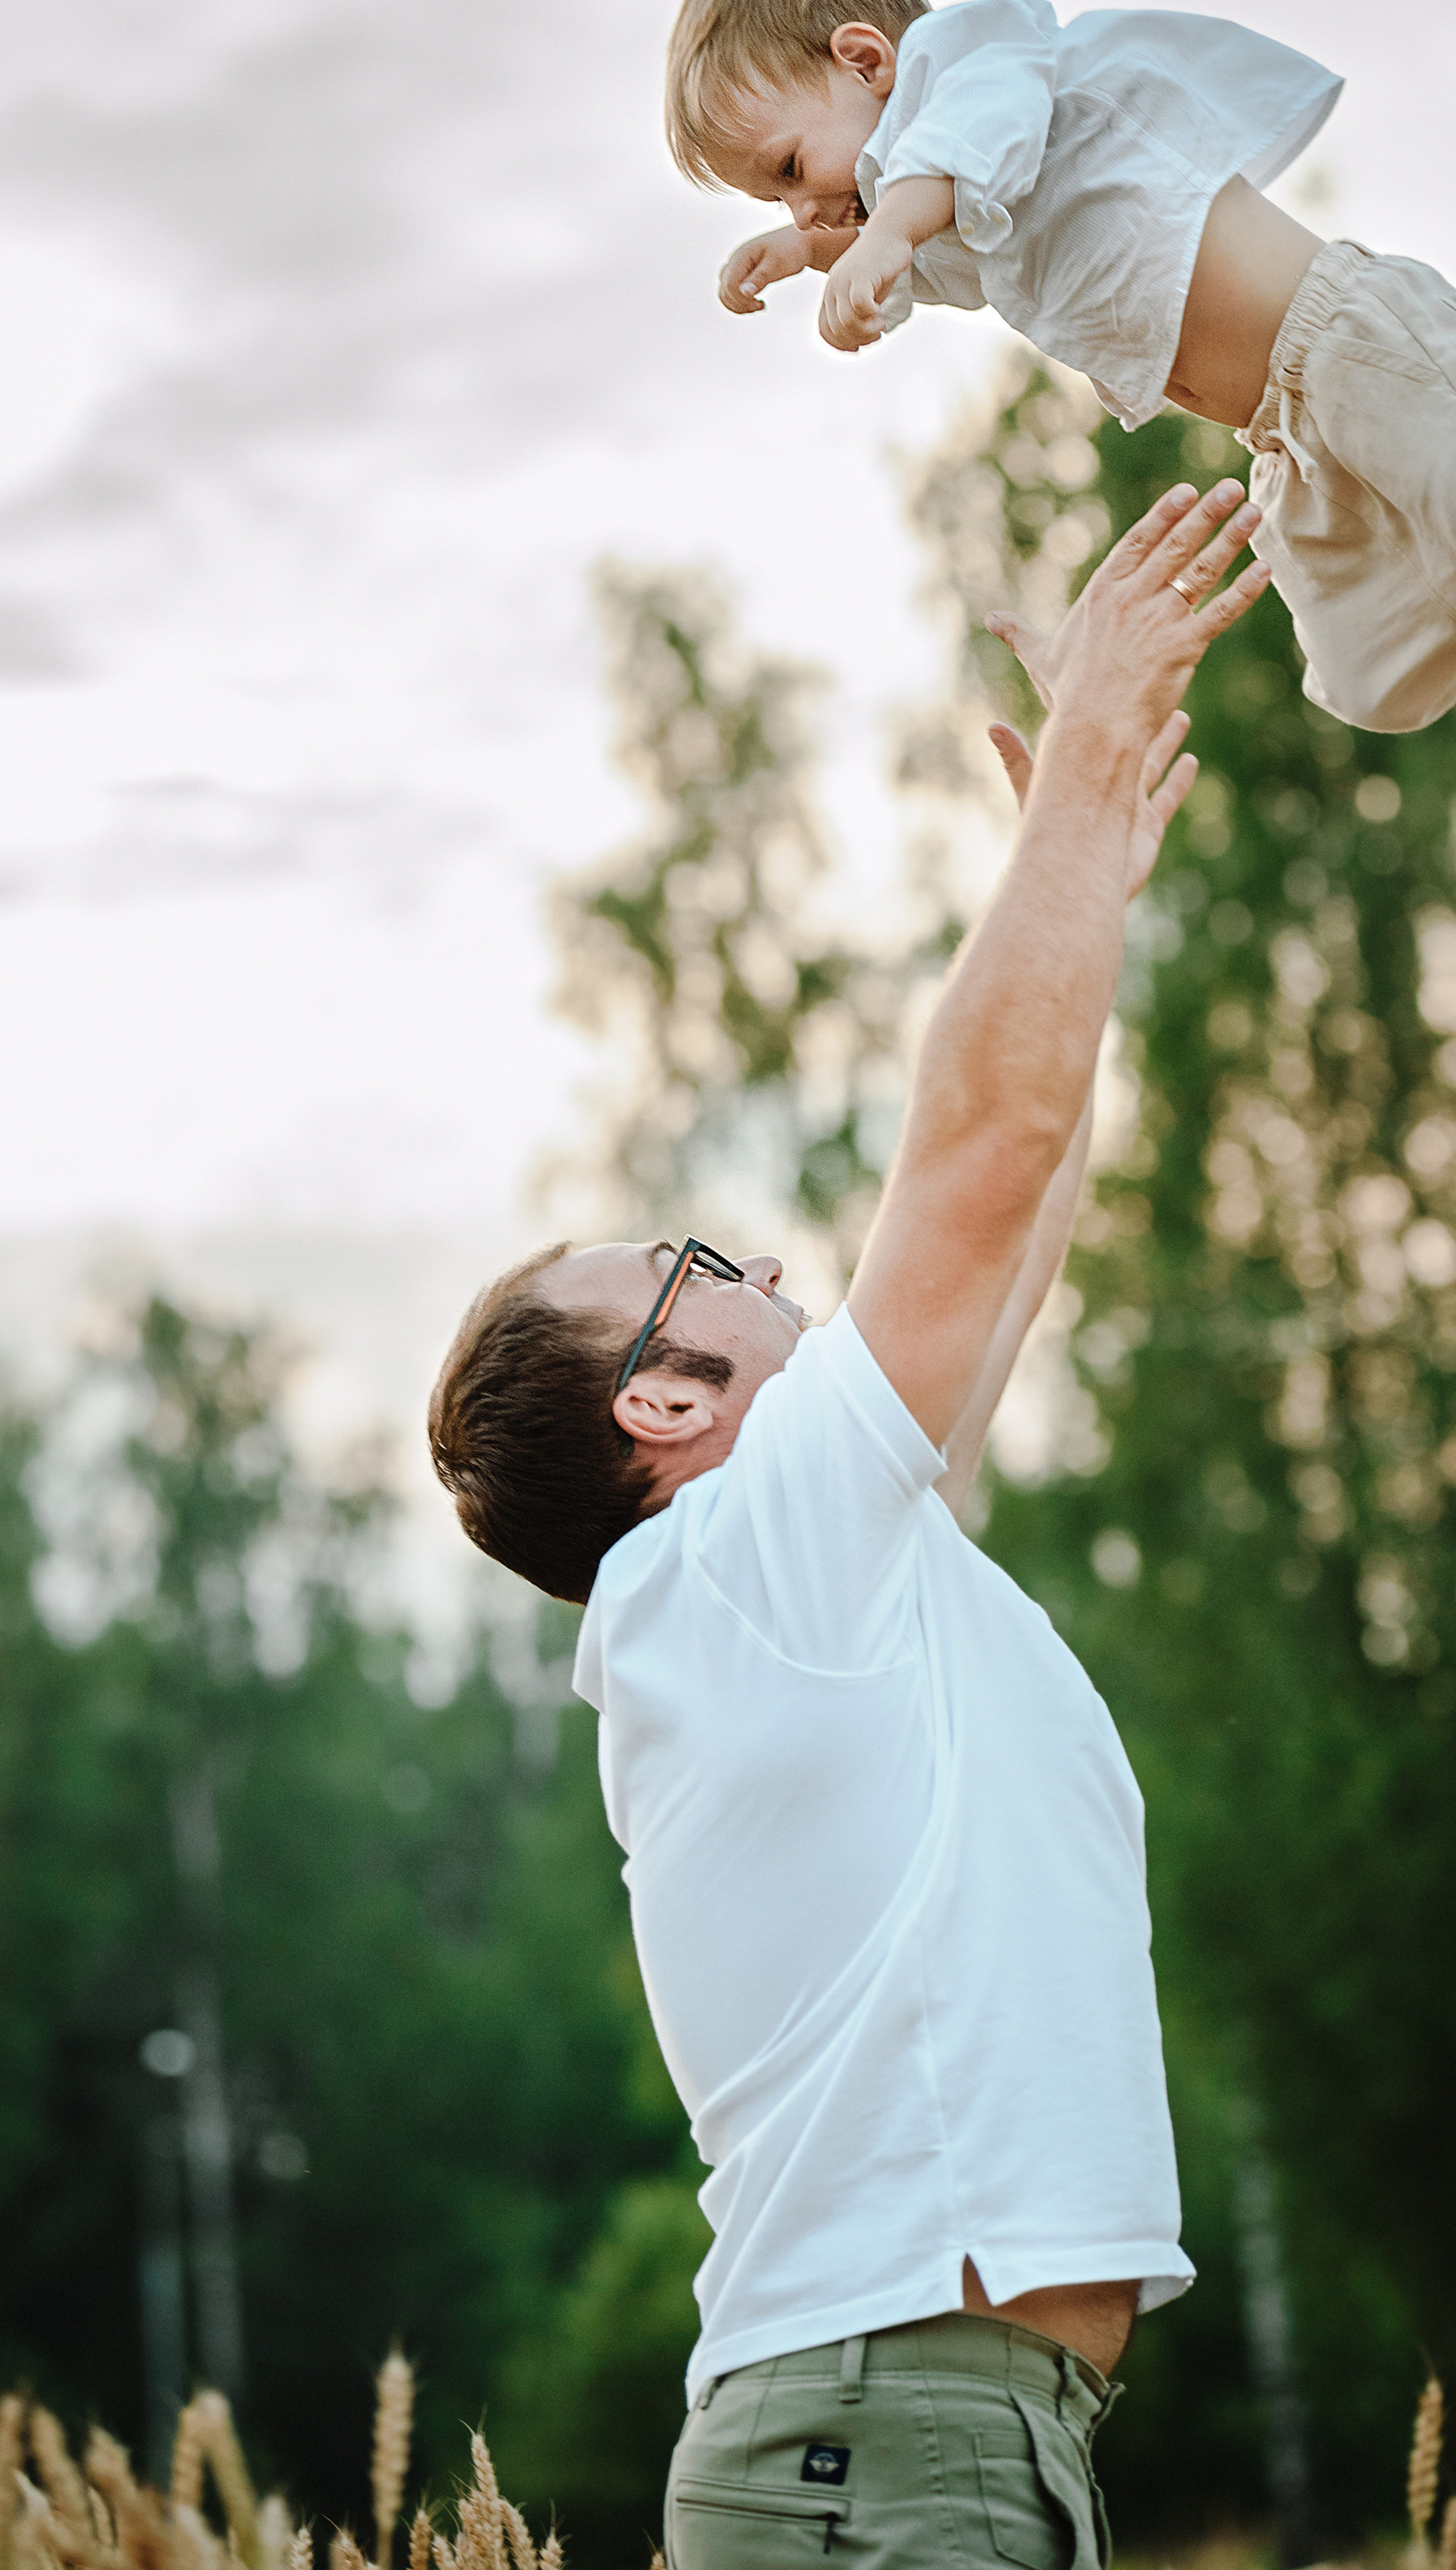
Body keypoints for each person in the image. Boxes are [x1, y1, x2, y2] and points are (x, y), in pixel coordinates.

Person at [429, 480, 1271, 2568]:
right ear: (666, 1400)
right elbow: (978, 1152)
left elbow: (1021, 1187)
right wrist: (1076, 770)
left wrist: (1092, 877)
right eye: (695, 1257)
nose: (759, 1263)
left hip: (932, 2430)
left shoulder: (821, 1584)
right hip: (882, 2435)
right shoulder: (727, 1570)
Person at [666, 0, 1456, 738]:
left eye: (791, 170)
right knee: (1371, 678)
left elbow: (967, 140)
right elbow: (943, 251)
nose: (799, 203)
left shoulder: (973, 59)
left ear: (866, 59)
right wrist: (816, 253)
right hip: (1290, 437)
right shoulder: (947, 204)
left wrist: (882, 226)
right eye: (772, 200)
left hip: (1349, 338)